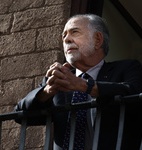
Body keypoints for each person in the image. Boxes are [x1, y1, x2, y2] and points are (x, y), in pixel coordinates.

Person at [14, 14, 142, 150]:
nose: (67, 39)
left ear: (98, 40)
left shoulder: (126, 68)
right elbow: (21, 115)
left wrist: (82, 85)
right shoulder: (59, 79)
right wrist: (48, 91)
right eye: (64, 36)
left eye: (74, 32)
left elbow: (133, 93)